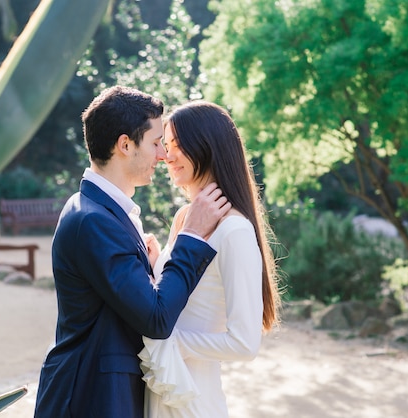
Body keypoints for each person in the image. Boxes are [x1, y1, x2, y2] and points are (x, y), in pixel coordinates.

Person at [34, 86, 231, 418]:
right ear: (125, 145)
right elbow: (155, 319)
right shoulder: (93, 221)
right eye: (156, 143)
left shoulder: (104, 211)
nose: (164, 156)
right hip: (92, 399)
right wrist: (192, 237)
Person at [139, 100, 282, 417]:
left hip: (192, 399)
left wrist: (171, 342)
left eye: (177, 145)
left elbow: (245, 344)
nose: (166, 156)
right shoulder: (185, 220)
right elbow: (178, 299)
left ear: (207, 147)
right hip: (162, 389)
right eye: (164, 144)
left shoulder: (234, 231)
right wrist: (153, 268)